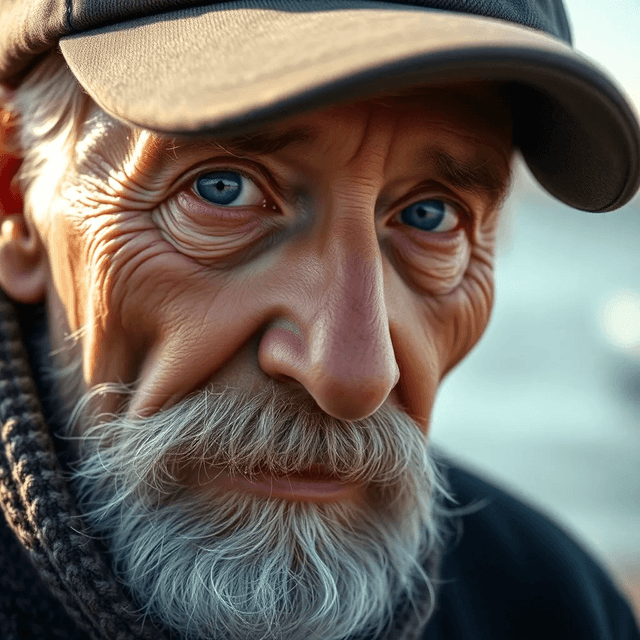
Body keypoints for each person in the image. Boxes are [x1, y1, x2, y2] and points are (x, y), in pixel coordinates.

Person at [0, 0, 638, 638]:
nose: (354, 378)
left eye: (431, 216)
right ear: (16, 201)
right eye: (222, 188)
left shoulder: (556, 608)